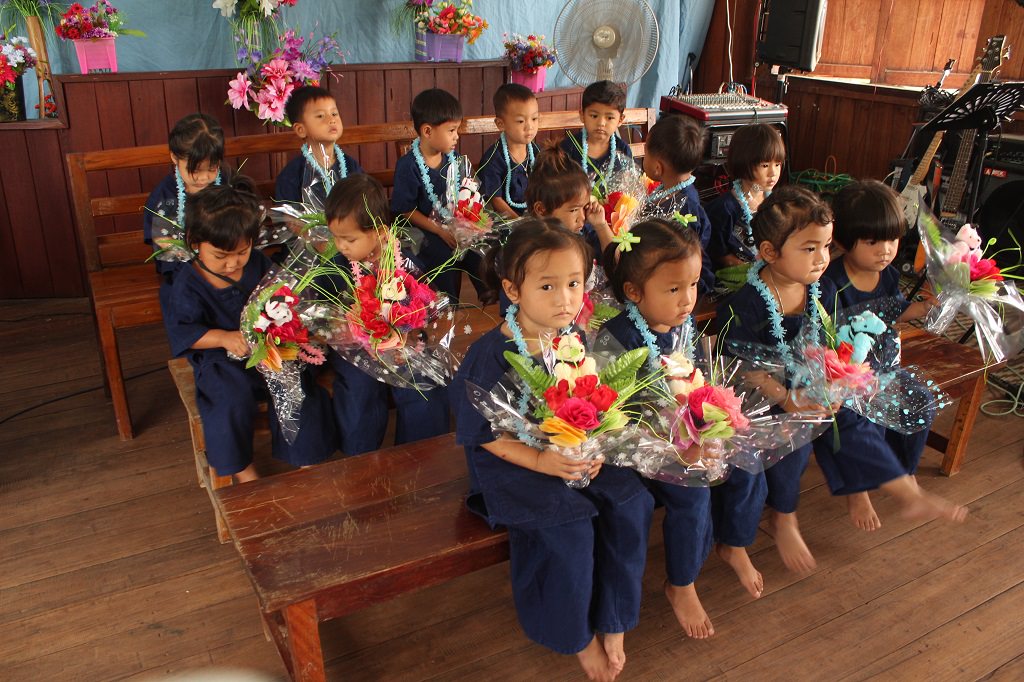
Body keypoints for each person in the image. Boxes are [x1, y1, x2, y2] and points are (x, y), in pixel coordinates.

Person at [450, 219, 653, 682]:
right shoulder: (490, 354)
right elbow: (483, 435)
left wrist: (594, 444)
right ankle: (576, 636)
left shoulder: (574, 339)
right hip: (512, 461)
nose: (565, 299)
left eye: (574, 283)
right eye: (547, 285)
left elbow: (593, 402)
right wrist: (541, 459)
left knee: (631, 501)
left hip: (569, 452)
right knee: (571, 527)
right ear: (512, 289)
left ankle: (614, 618)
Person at [164, 177, 335, 483]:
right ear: (194, 243)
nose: (232, 264)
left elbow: (280, 298)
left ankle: (306, 456)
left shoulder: (257, 264)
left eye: (241, 253)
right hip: (221, 360)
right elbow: (185, 331)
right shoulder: (188, 283)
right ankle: (241, 469)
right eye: (220, 256)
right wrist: (224, 338)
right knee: (229, 400)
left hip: (266, 349)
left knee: (297, 386)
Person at [595, 218, 717, 639]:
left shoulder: (682, 325)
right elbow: (608, 418)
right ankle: (615, 615)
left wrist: (702, 428)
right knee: (630, 508)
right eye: (673, 289)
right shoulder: (614, 338)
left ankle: (682, 581)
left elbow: (693, 380)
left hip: (673, 447)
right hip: (622, 451)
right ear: (634, 292)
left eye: (694, 285)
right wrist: (664, 443)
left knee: (695, 491)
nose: (687, 300)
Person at [822, 179, 946, 530]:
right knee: (862, 416)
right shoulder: (832, 282)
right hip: (844, 374)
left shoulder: (888, 275)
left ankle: (903, 475)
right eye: (873, 241)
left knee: (921, 402)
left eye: (892, 240)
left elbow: (892, 311)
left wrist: (920, 309)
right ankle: (857, 489)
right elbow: (827, 338)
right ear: (844, 241)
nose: (886, 250)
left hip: (883, 363)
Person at [321, 174, 450, 455]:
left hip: (400, 344)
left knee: (423, 383)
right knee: (359, 391)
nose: (341, 246)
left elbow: (427, 305)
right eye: (336, 237)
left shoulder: (404, 262)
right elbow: (324, 316)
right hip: (353, 349)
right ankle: (361, 459)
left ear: (380, 231)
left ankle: (417, 455)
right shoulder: (336, 267)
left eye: (349, 238)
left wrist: (413, 327)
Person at [144, 113, 224, 318]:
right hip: (182, 264)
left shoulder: (226, 182)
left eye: (212, 168)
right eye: (196, 170)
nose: (204, 177)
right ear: (174, 157)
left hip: (226, 257)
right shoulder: (165, 196)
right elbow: (166, 244)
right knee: (193, 291)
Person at [391, 87, 467, 301]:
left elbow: (460, 193)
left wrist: (466, 225)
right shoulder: (409, 166)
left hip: (450, 223)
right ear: (427, 131)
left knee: (477, 247)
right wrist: (440, 231)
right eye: (451, 130)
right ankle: (447, 303)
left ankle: (487, 292)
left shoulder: (453, 159)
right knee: (443, 254)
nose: (456, 136)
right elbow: (405, 210)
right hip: (420, 229)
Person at [643, 114, 715, 294]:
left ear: (658, 167)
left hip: (683, 283)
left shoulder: (686, 207)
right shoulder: (668, 188)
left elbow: (685, 258)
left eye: (646, 154)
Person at [706, 123, 786, 283]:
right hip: (735, 280)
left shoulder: (776, 203)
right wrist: (756, 272)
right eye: (765, 165)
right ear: (744, 162)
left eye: (777, 164)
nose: (773, 173)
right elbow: (719, 254)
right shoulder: (724, 209)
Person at [275, 85, 363, 206]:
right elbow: (289, 218)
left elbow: (365, 204)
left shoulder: (350, 166)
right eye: (320, 116)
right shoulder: (292, 175)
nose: (331, 120)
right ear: (301, 129)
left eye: (334, 113)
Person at [477, 83, 540, 219]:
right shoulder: (493, 159)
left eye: (534, 119)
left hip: (536, 217)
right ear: (501, 124)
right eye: (520, 121)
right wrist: (520, 223)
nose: (530, 126)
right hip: (505, 222)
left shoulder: (538, 153)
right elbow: (496, 201)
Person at [560, 80, 634, 181]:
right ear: (582, 115)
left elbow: (629, 184)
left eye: (609, 118)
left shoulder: (623, 150)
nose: (601, 123)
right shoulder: (568, 148)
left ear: (620, 120)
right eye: (594, 116)